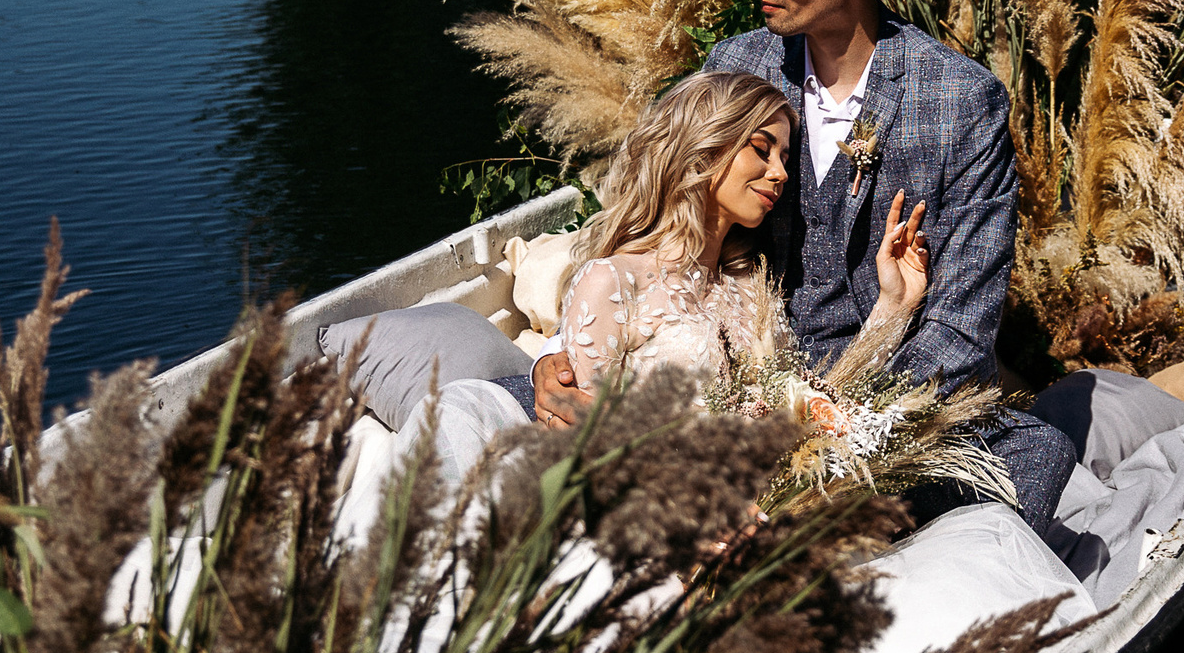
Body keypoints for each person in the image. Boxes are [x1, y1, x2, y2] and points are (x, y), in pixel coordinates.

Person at [532, 0, 1077, 526]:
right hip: (733, 389)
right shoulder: (739, 63)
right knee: (525, 407)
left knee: (1040, 451)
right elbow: (661, 243)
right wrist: (555, 362)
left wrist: (840, 436)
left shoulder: (963, 102)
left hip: (881, 404)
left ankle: (818, 522)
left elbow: (959, 335)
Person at [397, 69, 930, 486]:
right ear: (705, 144)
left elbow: (813, 408)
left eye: (786, 157)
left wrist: (894, 304)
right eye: (761, 149)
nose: (781, 173)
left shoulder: (750, 286)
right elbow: (582, 448)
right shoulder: (612, 282)